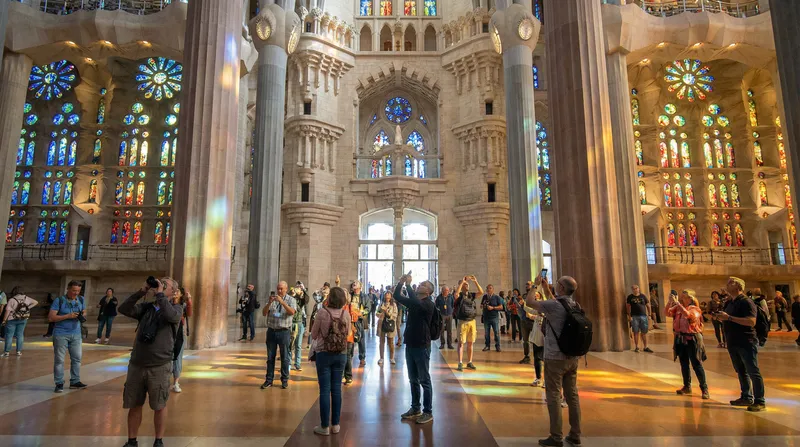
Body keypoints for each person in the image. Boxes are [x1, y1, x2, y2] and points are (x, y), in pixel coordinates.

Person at [119, 277, 183, 447]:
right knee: (134, 404)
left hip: (159, 365)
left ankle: (158, 440)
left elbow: (170, 315)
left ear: (174, 292)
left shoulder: (177, 308)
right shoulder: (147, 308)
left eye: (165, 285)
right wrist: (142, 291)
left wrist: (161, 295)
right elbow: (124, 309)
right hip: (137, 363)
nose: (159, 286)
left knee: (159, 405)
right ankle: (132, 440)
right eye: (159, 283)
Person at [526, 275, 582, 447]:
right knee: (572, 395)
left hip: (555, 357)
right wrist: (547, 289)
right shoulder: (575, 305)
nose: (554, 285)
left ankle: (556, 436)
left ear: (562, 288)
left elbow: (529, 302)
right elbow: (556, 303)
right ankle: (575, 434)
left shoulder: (554, 306)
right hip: (572, 357)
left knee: (554, 395)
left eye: (557, 284)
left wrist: (535, 286)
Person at [716, 276, 765, 412]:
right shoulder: (730, 302)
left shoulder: (746, 302)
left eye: (730, 283)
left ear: (738, 287)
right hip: (733, 341)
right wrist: (721, 318)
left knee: (753, 371)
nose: (727, 284)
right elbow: (728, 319)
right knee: (741, 370)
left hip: (746, 341)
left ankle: (760, 400)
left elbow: (751, 321)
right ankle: (746, 396)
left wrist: (729, 318)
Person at [394, 274, 436, 425]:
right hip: (410, 344)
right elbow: (397, 296)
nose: (419, 284)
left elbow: (416, 304)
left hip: (422, 345)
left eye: (423, 284)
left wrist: (409, 285)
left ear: (428, 291)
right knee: (413, 379)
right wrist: (401, 283)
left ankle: (428, 411)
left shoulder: (428, 304)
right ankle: (415, 408)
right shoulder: (415, 302)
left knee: (424, 379)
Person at [311, 286, 351, 436]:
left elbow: (314, 334)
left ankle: (324, 426)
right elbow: (348, 333)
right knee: (336, 389)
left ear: (329, 298)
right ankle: (336, 425)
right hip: (341, 354)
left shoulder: (322, 312)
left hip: (324, 353)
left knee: (324, 390)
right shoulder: (345, 313)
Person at [667, 290, 709, 399]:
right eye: (681, 297)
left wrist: (677, 304)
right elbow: (667, 313)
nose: (682, 299)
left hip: (692, 339)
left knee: (696, 364)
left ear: (690, 298)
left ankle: (704, 389)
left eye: (684, 297)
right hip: (680, 338)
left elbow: (689, 316)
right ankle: (687, 386)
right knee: (684, 364)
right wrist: (669, 302)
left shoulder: (695, 309)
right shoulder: (678, 308)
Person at [49, 281, 87, 393]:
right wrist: (67, 316)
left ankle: (75, 381)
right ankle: (59, 383)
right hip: (61, 334)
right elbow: (51, 318)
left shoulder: (81, 299)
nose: (76, 293)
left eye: (78, 291)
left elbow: (84, 311)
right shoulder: (59, 300)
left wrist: (82, 314)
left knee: (77, 358)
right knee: (59, 359)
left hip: (76, 333)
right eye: (74, 290)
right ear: (68, 289)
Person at [261, 282, 298, 390]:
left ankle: (284, 380)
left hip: (284, 332)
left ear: (286, 289)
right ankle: (269, 380)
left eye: (281, 289)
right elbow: (264, 313)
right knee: (270, 357)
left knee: (285, 357)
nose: (279, 291)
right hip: (271, 331)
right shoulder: (273, 300)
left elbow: (292, 312)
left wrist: (283, 303)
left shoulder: (291, 300)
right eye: (278, 289)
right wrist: (269, 303)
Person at [2, 287, 38, 357]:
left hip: (12, 319)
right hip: (23, 319)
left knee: (9, 336)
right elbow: (36, 302)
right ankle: (18, 351)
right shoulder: (26, 298)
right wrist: (27, 308)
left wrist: (4, 320)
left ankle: (7, 352)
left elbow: (7, 311)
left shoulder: (12, 300)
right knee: (20, 335)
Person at [454, 276, 481, 371]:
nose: (467, 285)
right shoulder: (460, 296)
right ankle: (460, 362)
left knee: (470, 343)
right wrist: (462, 282)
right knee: (461, 343)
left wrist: (476, 282)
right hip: (463, 321)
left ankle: (469, 362)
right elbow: (456, 294)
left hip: (472, 321)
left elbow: (481, 292)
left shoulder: (471, 295)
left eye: (467, 284)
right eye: (465, 284)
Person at [171, 287, 192, 393]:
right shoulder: (168, 303)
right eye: (173, 291)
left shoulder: (183, 305)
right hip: (168, 334)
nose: (175, 293)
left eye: (177, 291)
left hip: (179, 333)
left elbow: (189, 313)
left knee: (178, 358)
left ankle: (176, 382)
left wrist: (189, 301)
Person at [343, 288, 363, 386]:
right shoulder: (337, 307)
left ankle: (348, 376)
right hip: (338, 335)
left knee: (347, 356)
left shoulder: (350, 306)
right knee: (343, 355)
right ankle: (343, 374)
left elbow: (357, 316)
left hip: (349, 334)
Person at [626, 285, 653, 353]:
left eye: (636, 288)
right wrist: (629, 316)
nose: (635, 290)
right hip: (634, 317)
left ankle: (645, 347)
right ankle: (637, 347)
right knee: (636, 332)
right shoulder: (630, 297)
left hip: (643, 316)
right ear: (632, 290)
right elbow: (628, 307)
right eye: (634, 289)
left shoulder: (643, 296)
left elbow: (648, 306)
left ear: (639, 289)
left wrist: (649, 315)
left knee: (644, 332)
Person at [289, 282, 309, 371]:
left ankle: (297, 364)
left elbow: (306, 300)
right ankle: (288, 363)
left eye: (299, 288)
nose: (297, 289)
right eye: (296, 287)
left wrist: (303, 291)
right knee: (290, 344)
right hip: (290, 323)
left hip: (299, 323)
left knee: (298, 345)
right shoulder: (290, 297)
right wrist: (293, 294)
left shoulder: (301, 300)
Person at [350, 281, 368, 367]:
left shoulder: (364, 296)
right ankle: (349, 356)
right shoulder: (350, 295)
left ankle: (362, 357)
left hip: (359, 320)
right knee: (351, 338)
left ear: (360, 286)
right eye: (354, 283)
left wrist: (362, 312)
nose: (354, 284)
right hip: (350, 320)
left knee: (361, 339)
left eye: (356, 283)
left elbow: (368, 308)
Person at [376, 291, 398, 365]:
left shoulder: (394, 305)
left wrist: (388, 313)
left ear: (391, 296)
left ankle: (392, 358)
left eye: (389, 294)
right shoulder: (381, 304)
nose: (387, 295)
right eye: (386, 294)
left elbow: (395, 314)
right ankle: (381, 357)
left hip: (390, 324)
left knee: (390, 341)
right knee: (381, 341)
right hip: (382, 324)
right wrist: (381, 313)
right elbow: (377, 312)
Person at [481, 281, 503, 352]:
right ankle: (487, 346)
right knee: (487, 333)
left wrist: (493, 308)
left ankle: (498, 346)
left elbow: (501, 307)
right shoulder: (484, 297)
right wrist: (483, 306)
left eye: (490, 288)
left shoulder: (497, 297)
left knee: (496, 332)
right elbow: (481, 305)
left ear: (493, 289)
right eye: (487, 288)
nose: (488, 289)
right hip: (486, 317)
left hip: (494, 318)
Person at [518, 282, 535, 364]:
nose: (526, 286)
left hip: (533, 320)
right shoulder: (524, 296)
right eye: (526, 284)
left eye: (528, 284)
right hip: (524, 320)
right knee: (525, 340)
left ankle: (538, 357)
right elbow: (523, 307)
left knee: (536, 340)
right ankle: (527, 356)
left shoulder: (535, 295)